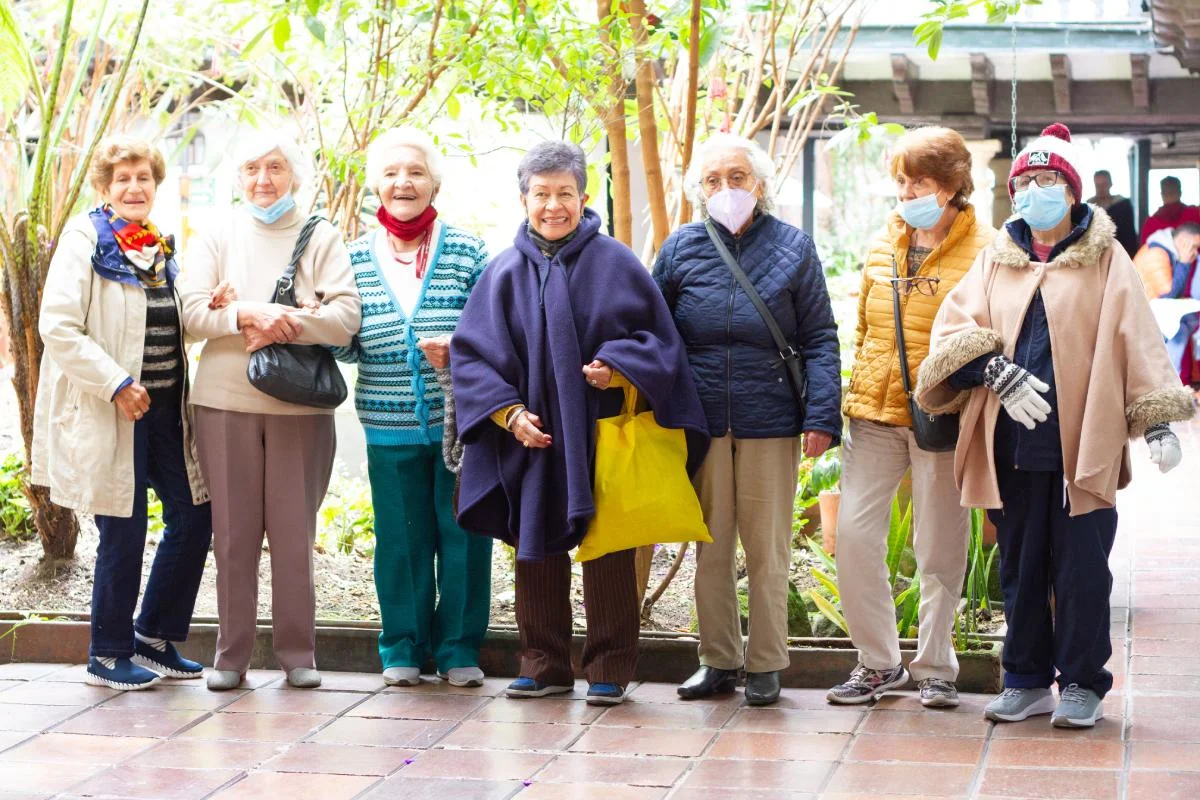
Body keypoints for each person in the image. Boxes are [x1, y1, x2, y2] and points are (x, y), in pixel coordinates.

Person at [916, 123, 1194, 728]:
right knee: (1019, 566)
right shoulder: (997, 257)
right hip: (1011, 443)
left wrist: (1158, 426)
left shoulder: (1108, 258)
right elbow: (952, 330)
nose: (1033, 192)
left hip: (1081, 444)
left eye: (1047, 181)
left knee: (1082, 570)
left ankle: (1082, 684)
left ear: (1071, 192)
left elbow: (1137, 340)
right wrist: (995, 371)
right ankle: (1025, 679)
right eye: (1025, 183)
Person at [451, 141, 709, 706]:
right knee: (534, 546)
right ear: (523, 199)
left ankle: (610, 667)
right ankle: (542, 664)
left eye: (564, 193)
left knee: (610, 552)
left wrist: (617, 369)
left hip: (602, 432)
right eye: (540, 194)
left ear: (584, 196)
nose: (552, 205)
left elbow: (660, 344)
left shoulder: (617, 262)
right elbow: (473, 356)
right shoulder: (501, 273)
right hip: (534, 437)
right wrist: (509, 414)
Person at [653, 133, 842, 707]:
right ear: (698, 190)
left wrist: (822, 415)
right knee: (710, 546)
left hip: (773, 420)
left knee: (768, 548)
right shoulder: (680, 247)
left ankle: (765, 664)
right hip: (702, 421)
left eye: (737, 177)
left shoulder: (793, 247)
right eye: (712, 180)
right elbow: (654, 330)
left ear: (759, 184)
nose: (725, 188)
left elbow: (820, 338)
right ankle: (717, 660)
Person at [178, 133, 361, 691]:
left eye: (276, 167)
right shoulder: (217, 233)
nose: (264, 179)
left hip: (300, 407)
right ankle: (230, 656)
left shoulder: (321, 236)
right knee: (232, 534)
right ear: (238, 177)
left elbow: (346, 317)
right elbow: (188, 313)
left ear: (295, 176)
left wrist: (286, 324)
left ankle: (297, 653)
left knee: (293, 533)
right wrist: (247, 315)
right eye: (252, 168)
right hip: (224, 402)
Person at [31, 135, 212, 690]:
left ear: (156, 185)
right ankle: (106, 655)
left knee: (194, 515)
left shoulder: (153, 244)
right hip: (115, 409)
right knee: (125, 530)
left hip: (162, 410)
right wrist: (116, 385)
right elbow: (58, 326)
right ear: (106, 188)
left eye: (144, 178)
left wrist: (213, 305)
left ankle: (153, 637)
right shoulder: (85, 239)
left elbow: (161, 322)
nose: (135, 187)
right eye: (123, 179)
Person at [827, 127, 994, 708]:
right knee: (852, 536)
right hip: (874, 414)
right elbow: (866, 329)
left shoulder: (988, 250)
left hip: (943, 413)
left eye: (919, 182)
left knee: (939, 545)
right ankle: (878, 662)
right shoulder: (882, 245)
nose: (907, 192)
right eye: (901, 181)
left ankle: (936, 667)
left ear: (952, 185)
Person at [330, 128, 493, 688]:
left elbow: (496, 332)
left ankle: (458, 647)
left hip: (461, 426)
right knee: (400, 539)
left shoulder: (468, 250)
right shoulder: (349, 257)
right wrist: (319, 323)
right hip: (388, 422)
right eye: (393, 173)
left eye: (416, 173)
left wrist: (459, 352)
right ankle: (401, 645)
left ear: (433, 183)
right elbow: (345, 343)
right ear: (376, 184)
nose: (404, 183)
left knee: (464, 536)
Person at [1133, 222, 1200, 385]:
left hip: (1152, 314)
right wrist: (1184, 262)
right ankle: (1169, 385)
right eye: (1195, 246)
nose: (1195, 252)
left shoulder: (1167, 251)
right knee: (1180, 331)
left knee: (1189, 322)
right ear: (1184, 241)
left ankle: (1171, 383)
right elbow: (1168, 294)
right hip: (1139, 318)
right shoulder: (1156, 253)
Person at [1086, 170, 1138, 256]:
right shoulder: (1089, 207)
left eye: (1104, 184)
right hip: (1095, 255)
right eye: (1097, 185)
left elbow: (1130, 235)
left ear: (1110, 184)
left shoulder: (1123, 205)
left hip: (1120, 253)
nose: (1101, 189)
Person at [1140, 175, 1200, 245]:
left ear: (1162, 195)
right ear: (1180, 193)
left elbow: (1145, 251)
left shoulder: (1150, 224)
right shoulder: (1195, 215)